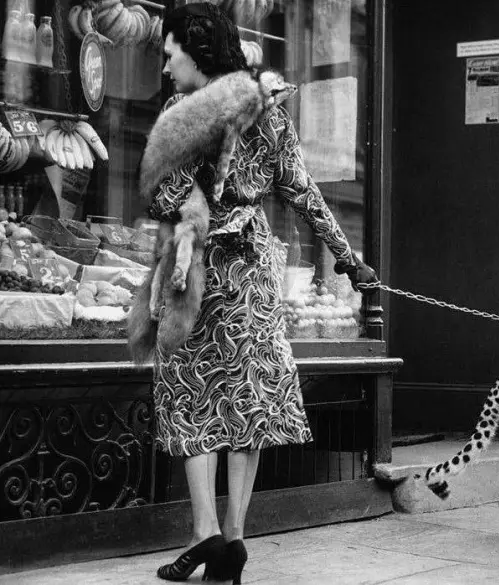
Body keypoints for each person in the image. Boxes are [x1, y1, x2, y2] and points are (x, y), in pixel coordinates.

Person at [148, 3, 378, 583]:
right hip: (250, 271)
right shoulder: (270, 115)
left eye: (171, 51)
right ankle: (233, 539)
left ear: (196, 52)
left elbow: (163, 196)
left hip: (195, 272)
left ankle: (205, 536)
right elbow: (304, 193)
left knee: (191, 394)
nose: (166, 63)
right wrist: (349, 260)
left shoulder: (181, 113)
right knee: (247, 400)